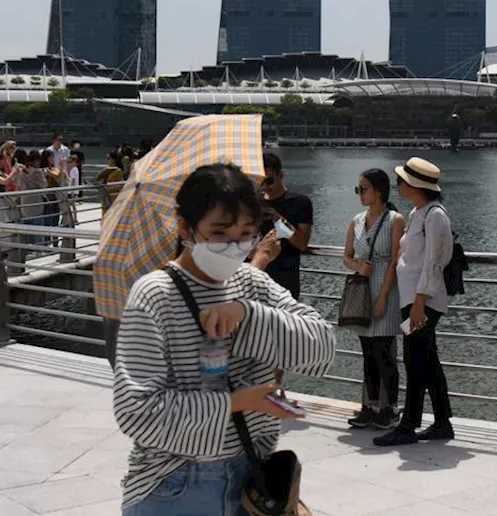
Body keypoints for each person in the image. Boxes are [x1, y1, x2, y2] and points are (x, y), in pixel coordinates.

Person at [114, 163, 334, 513]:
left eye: (246, 233)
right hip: (177, 484)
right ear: (185, 226)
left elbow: (321, 348)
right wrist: (239, 401)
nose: (235, 246)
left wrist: (247, 314)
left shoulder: (251, 282)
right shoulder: (154, 295)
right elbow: (136, 413)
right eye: (219, 233)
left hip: (250, 478)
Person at [374, 157, 455, 447]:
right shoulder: (418, 212)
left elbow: (434, 262)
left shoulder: (435, 216)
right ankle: (443, 422)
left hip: (424, 301)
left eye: (402, 180)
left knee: (414, 359)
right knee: (427, 360)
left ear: (414, 186)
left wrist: (420, 302)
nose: (398, 185)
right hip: (413, 300)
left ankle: (408, 425)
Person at [341, 168, 405, 430]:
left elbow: (394, 261)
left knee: (384, 351)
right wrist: (358, 267)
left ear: (379, 190)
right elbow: (346, 256)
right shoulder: (356, 221)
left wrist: (383, 297)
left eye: (363, 188)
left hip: (385, 291)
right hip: (362, 291)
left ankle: (388, 408)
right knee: (368, 352)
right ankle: (369, 405)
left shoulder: (395, 220)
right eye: (358, 189)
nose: (360, 194)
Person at [258, 152, 313, 299]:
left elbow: (302, 243)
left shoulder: (300, 202)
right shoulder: (253, 203)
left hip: (285, 281)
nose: (265, 186)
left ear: (281, 175)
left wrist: (279, 221)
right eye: (261, 181)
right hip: (256, 278)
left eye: (269, 181)